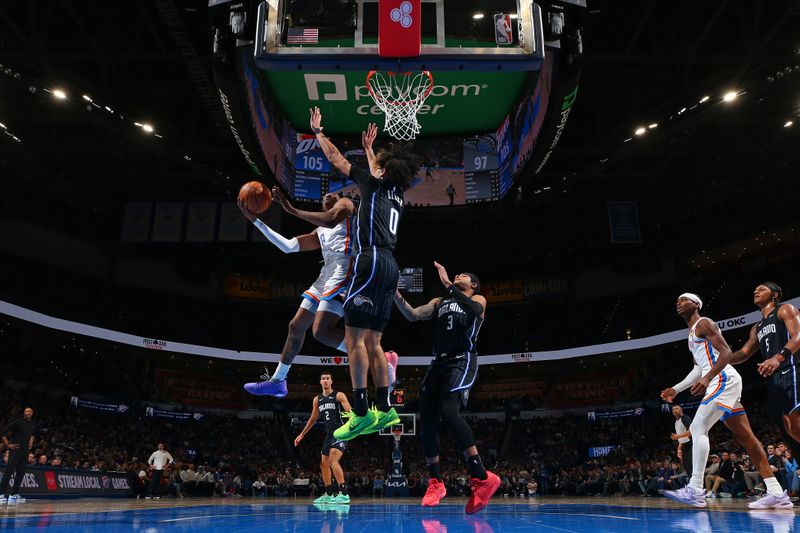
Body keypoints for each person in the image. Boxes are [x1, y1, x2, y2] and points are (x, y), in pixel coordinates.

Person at [295, 108, 420, 441]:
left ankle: (362, 413)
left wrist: (319, 132)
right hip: (391, 265)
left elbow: (336, 159)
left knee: (353, 341)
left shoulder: (374, 185)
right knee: (373, 341)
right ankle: (384, 408)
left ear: (382, 169)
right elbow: (379, 172)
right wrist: (369, 151)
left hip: (371, 260)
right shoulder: (397, 193)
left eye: (376, 163)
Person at [660, 293, 790, 509]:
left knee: (698, 426)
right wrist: (676, 388)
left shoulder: (704, 323)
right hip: (721, 381)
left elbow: (727, 352)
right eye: (677, 301)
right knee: (746, 437)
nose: (679, 303)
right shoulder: (692, 334)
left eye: (684, 300)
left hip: (723, 380)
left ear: (696, 304)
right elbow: (698, 368)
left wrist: (708, 377)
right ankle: (776, 492)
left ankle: (695, 489)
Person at [393, 262, 500, 514]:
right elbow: (412, 314)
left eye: (464, 274)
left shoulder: (479, 299)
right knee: (427, 417)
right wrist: (395, 294)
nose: (457, 274)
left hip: (462, 359)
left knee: (449, 411)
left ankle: (482, 477)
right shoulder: (440, 301)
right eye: (456, 274)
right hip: (439, 362)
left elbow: (474, 311)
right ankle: (435, 481)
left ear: (473, 284)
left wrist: (449, 285)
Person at [241, 191, 355, 398]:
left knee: (321, 332)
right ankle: (278, 381)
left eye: (334, 194)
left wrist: (291, 210)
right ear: (321, 205)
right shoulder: (320, 231)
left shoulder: (346, 210)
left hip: (346, 269)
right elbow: (288, 247)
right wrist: (255, 220)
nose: (329, 195)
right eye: (325, 195)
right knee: (296, 326)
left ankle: (374, 355)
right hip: (326, 275)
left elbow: (331, 220)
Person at [696, 283, 800, 454]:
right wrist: (721, 359)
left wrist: (777, 357)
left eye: (762, 289)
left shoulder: (785, 309)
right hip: (775, 376)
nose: (756, 291)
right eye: (755, 289)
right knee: (789, 428)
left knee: (794, 421)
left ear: (774, 295)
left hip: (792, 367)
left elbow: (798, 335)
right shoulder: (757, 327)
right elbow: (744, 353)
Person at [294, 372, 352, 504]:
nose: (325, 381)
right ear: (320, 382)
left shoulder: (339, 395)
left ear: (331, 381)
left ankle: (343, 493)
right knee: (323, 464)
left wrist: (352, 427)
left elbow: (350, 413)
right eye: (323, 379)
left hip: (341, 432)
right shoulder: (317, 399)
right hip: (329, 434)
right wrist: (302, 434)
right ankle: (329, 494)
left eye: (328, 379)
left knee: (333, 460)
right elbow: (313, 419)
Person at [0, 407, 38, 505]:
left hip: (25, 452)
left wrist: (31, 442)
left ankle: (14, 495)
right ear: (24, 413)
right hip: (15, 450)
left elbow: (33, 434)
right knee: (8, 472)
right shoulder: (18, 422)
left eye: (30, 411)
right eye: (26, 411)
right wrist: (8, 444)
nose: (28, 412)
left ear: (32, 413)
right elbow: (3, 432)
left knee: (20, 474)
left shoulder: (33, 424)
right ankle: (1, 494)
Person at [670, 404, 693, 480]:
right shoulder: (676, 422)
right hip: (684, 446)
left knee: (691, 468)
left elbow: (691, 431)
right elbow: (681, 439)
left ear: (681, 410)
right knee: (687, 468)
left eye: (676, 409)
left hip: (691, 445)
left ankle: (697, 489)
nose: (674, 411)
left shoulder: (684, 418)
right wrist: (679, 449)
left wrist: (677, 436)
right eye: (673, 409)